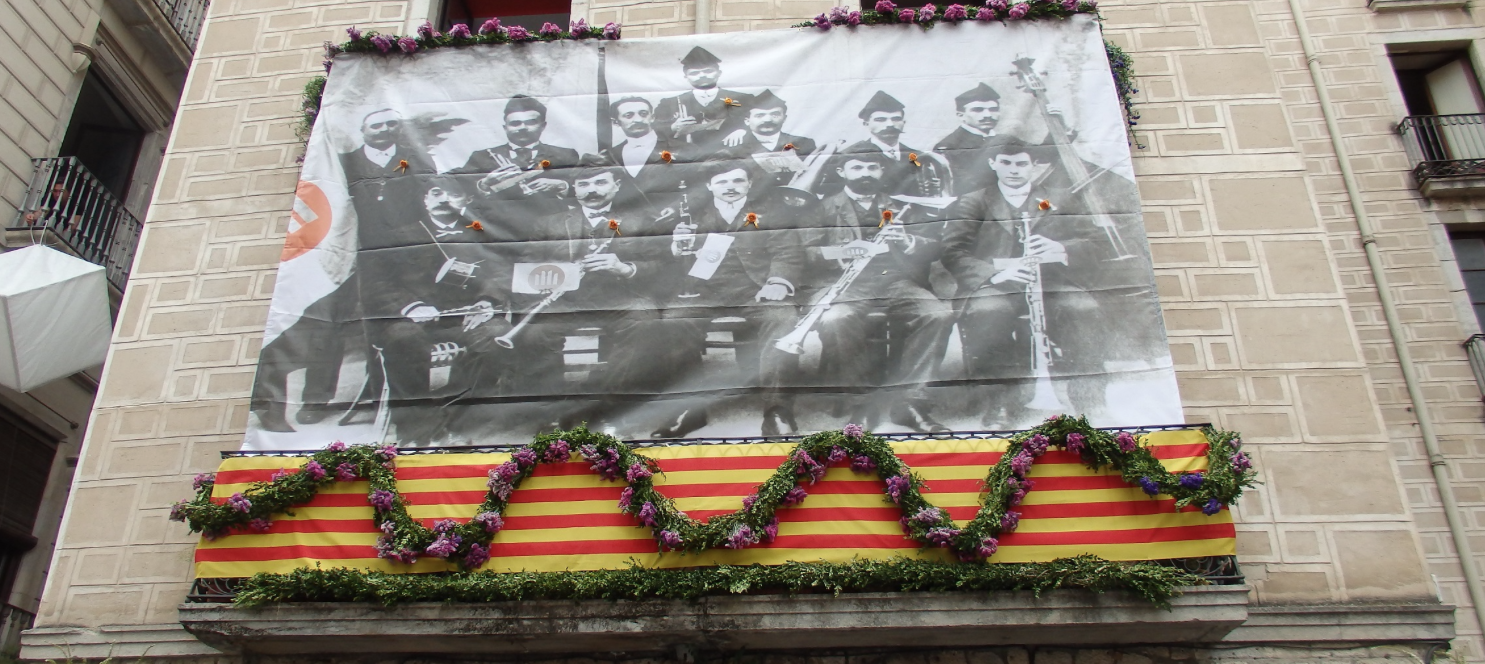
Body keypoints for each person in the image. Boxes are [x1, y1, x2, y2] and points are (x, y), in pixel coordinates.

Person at [249, 108, 434, 433]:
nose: (385, 129)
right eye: (376, 124)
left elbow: (427, 204)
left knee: (385, 327)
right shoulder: (344, 161)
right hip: (344, 255)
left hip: (391, 262)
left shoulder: (415, 159)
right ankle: (312, 401)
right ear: (364, 130)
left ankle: (381, 401)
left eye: (392, 123)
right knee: (324, 326)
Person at [940, 140, 1146, 427]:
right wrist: (997, 270)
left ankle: (1091, 401)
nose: (1013, 170)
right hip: (996, 283)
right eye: (1006, 163)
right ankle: (998, 403)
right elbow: (952, 252)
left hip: (1050, 281)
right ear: (993, 164)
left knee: (1083, 309)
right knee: (989, 313)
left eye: (1021, 163)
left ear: (1034, 166)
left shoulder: (1060, 198)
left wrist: (1060, 248)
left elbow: (1098, 242)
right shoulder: (973, 201)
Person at [510, 155, 674, 433]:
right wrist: (553, 276)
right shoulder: (549, 224)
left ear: (616, 184)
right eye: (584, 184)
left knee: (644, 320)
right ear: (575, 189)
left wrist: (624, 267)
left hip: (620, 297)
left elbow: (661, 266)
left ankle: (609, 405)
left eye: (600, 182)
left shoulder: (640, 220)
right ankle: (555, 408)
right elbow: (527, 267)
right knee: (535, 334)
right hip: (564, 301)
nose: (592, 190)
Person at [649, 156, 807, 438]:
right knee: (674, 321)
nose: (730, 187)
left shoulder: (771, 211)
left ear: (749, 183)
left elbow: (787, 251)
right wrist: (675, 246)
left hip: (755, 289)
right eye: (722, 181)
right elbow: (662, 259)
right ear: (710, 186)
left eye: (737, 180)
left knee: (782, 316)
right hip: (702, 291)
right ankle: (689, 409)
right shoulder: (688, 214)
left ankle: (777, 410)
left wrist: (778, 282)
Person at [806, 150, 954, 432]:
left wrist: (908, 240)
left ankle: (911, 403)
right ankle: (861, 402)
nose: (865, 173)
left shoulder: (901, 206)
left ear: (881, 172)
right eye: (857, 166)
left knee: (937, 314)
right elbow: (805, 253)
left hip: (896, 281)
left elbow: (935, 246)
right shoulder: (823, 207)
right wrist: (841, 251)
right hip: (844, 284)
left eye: (873, 167)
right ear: (842, 172)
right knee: (836, 319)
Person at [357, 176, 511, 446]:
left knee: (498, 336)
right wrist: (412, 307)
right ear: (425, 200)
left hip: (465, 318)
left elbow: (499, 274)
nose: (443, 199)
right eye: (435, 193)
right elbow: (377, 283)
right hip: (413, 321)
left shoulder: (481, 235)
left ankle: (463, 420)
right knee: (403, 339)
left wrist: (487, 301)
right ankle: (418, 428)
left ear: (466, 201)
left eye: (453, 194)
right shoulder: (400, 236)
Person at [458, 95, 580, 222]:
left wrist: (561, 185)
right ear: (505, 128)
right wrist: (484, 184)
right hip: (500, 228)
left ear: (543, 126)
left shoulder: (566, 155)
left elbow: (585, 192)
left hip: (553, 227)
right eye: (515, 123)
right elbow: (461, 191)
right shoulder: (481, 157)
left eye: (531, 122)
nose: (522, 127)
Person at [824, 91, 949, 198]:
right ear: (866, 124)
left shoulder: (918, 156)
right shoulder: (848, 156)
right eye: (880, 120)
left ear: (903, 122)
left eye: (896, 119)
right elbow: (834, 201)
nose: (890, 124)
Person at [601, 96, 691, 211]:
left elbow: (701, 188)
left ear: (652, 117)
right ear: (615, 122)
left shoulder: (685, 149)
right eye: (629, 115)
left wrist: (675, 209)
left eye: (643, 114)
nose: (638, 119)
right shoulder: (609, 156)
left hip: (674, 223)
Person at [654, 47, 753, 150]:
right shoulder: (669, 103)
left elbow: (760, 122)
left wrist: (743, 130)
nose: (702, 76)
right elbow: (653, 130)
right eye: (694, 73)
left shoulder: (743, 99)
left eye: (708, 71)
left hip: (730, 155)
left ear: (719, 73)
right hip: (687, 157)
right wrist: (673, 127)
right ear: (686, 77)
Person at [726, 90, 817, 189]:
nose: (768, 119)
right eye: (760, 115)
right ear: (747, 121)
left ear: (784, 118)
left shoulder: (803, 143)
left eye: (775, 115)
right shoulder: (734, 145)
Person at [932, 83, 1008, 197]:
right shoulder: (948, 146)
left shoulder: (1005, 140)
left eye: (993, 109)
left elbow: (1042, 154)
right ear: (961, 115)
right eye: (978, 110)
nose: (988, 115)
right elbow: (965, 185)